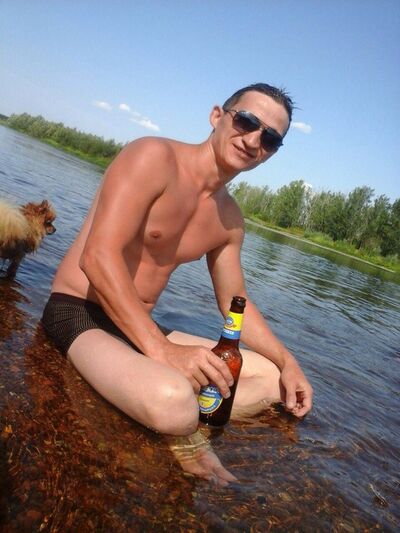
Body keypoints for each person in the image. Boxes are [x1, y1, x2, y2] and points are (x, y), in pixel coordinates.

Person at [42, 83, 313, 445]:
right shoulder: (153, 157)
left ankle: (180, 413)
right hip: (79, 312)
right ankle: (187, 433)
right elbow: (97, 257)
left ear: (271, 153)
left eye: (270, 138)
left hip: (140, 329)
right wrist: (163, 351)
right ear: (217, 116)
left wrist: (288, 360)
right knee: (173, 400)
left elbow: (236, 304)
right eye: (247, 121)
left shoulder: (230, 219)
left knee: (272, 380)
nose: (252, 140)